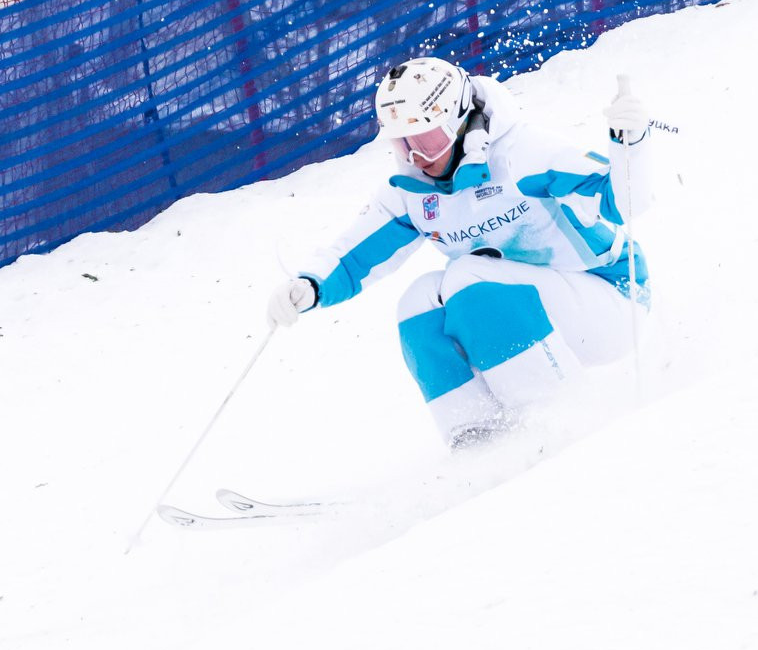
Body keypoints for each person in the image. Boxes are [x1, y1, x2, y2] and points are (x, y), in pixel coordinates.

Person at [266, 56, 655, 448]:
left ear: (457, 120)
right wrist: (309, 285)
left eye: (427, 140)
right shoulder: (410, 189)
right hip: (527, 313)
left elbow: (624, 202)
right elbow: (355, 256)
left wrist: (631, 145)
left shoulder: (522, 154)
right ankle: (478, 440)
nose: (417, 157)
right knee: (419, 303)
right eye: (404, 144)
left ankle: (556, 422)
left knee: (468, 278)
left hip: (611, 298)